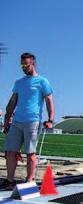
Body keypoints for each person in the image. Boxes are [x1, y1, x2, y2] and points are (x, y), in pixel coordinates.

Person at [1, 52, 54, 190]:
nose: (23, 67)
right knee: (10, 151)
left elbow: (49, 100)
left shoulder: (42, 81)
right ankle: (10, 180)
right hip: (17, 121)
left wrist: (50, 119)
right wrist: (7, 120)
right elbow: (12, 101)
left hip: (33, 121)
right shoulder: (19, 82)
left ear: (33, 64)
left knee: (30, 153)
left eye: (26, 64)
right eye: (21, 64)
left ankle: (29, 181)